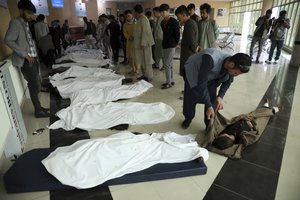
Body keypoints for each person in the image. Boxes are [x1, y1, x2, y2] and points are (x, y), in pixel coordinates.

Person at [182, 48, 251, 129]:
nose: (235, 75)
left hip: (211, 76)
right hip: (194, 72)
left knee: (212, 99)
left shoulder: (232, 64)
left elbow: (228, 81)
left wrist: (220, 97)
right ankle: (188, 119)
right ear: (231, 64)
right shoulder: (210, 59)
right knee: (191, 97)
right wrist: (208, 105)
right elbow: (201, 84)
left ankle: (209, 124)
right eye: (236, 73)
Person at [4, 0, 50, 118]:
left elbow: (28, 41)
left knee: (37, 84)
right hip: (26, 60)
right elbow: (8, 40)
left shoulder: (26, 23)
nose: (31, 16)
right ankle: (38, 110)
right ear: (21, 11)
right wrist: (25, 54)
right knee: (33, 85)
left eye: (32, 13)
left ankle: (39, 107)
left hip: (33, 58)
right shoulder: (15, 23)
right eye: (29, 13)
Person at [201, 99, 279, 159]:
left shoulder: (224, 133)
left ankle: (266, 107)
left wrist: (241, 118)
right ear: (231, 140)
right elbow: (252, 136)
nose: (229, 134)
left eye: (226, 134)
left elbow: (227, 125)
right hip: (251, 124)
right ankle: (272, 110)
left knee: (255, 113)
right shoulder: (239, 139)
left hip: (243, 119)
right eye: (229, 136)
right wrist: (251, 125)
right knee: (262, 117)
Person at [159, 3, 180, 89]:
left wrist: (176, 43)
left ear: (167, 11)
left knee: (166, 64)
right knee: (169, 63)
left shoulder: (174, 21)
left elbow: (177, 34)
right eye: (161, 12)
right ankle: (171, 80)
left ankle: (168, 82)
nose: (161, 14)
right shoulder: (162, 22)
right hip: (165, 44)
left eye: (163, 12)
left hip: (172, 45)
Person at [175, 5, 198, 77]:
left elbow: (192, 42)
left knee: (188, 75)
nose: (178, 20)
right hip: (189, 54)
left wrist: (195, 50)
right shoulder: (190, 23)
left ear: (183, 15)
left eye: (179, 17)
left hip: (188, 55)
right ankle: (187, 88)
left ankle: (188, 88)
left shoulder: (189, 24)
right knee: (188, 75)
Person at [133, 4, 154, 82]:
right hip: (140, 45)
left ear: (137, 12)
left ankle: (149, 77)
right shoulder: (139, 19)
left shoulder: (144, 19)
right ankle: (144, 75)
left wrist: (143, 43)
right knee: (142, 61)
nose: (134, 14)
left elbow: (145, 32)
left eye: (134, 12)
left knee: (147, 61)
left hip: (144, 45)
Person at [123, 10, 139, 75]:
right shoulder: (125, 24)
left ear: (132, 15)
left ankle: (137, 69)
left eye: (129, 16)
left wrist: (135, 36)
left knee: (136, 56)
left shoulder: (136, 22)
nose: (128, 18)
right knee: (130, 57)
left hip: (136, 42)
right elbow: (124, 32)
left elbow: (139, 31)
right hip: (129, 42)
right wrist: (129, 37)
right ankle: (133, 69)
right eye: (126, 17)